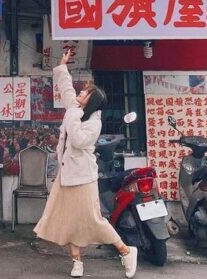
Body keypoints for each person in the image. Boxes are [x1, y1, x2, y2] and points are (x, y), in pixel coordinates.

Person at [34, 50, 138, 278]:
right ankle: (77, 262)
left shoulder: (93, 122)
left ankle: (126, 250)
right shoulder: (76, 109)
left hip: (83, 177)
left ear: (91, 101)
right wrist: (62, 66)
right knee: (68, 221)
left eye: (85, 92)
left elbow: (80, 141)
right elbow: (66, 88)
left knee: (93, 220)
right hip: (66, 175)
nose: (80, 93)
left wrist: (72, 113)